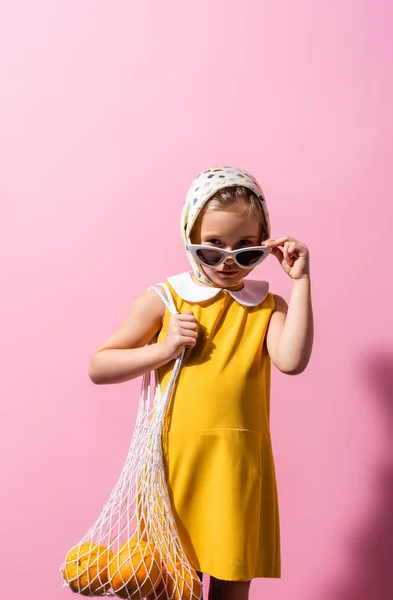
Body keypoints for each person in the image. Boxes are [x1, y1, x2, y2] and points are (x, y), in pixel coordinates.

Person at [89, 166, 314, 600]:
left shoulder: (268, 305)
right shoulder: (165, 299)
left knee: (232, 586)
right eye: (212, 247)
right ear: (189, 234)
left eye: (247, 250)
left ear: (265, 243)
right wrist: (164, 347)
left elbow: (291, 361)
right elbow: (100, 366)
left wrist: (301, 281)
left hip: (237, 467)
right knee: (173, 585)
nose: (229, 261)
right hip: (175, 466)